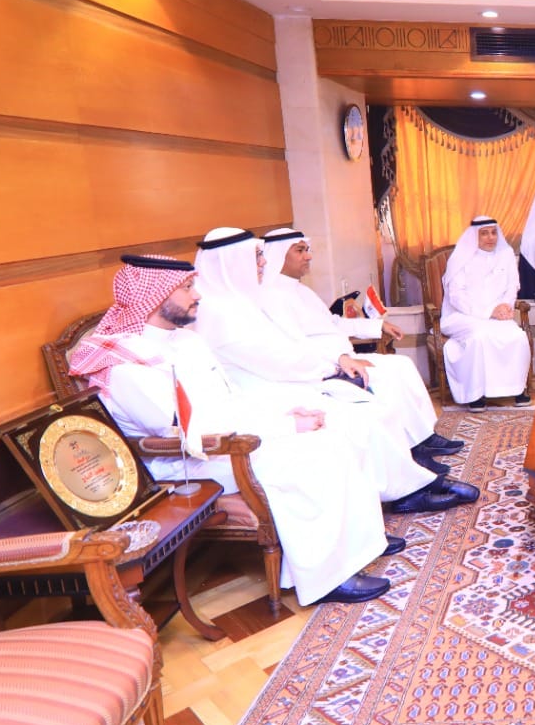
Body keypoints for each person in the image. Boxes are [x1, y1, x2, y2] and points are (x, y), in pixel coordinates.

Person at [69, 254, 398, 605]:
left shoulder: (186, 342)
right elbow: (189, 433)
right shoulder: (129, 366)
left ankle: (360, 543)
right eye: (186, 288)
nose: (197, 295)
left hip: (224, 441)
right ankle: (327, 578)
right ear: (155, 296)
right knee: (312, 456)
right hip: (186, 463)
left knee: (334, 435)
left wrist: (283, 413)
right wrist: (286, 426)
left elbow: (230, 400)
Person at [191, 227, 477, 514]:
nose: (263, 262)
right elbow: (280, 359)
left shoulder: (244, 303)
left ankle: (411, 478)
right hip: (270, 394)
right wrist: (334, 364)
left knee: (371, 405)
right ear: (232, 262)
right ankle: (407, 489)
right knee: (364, 413)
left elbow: (306, 338)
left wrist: (340, 357)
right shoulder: (221, 313)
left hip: (293, 380)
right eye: (256, 256)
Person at [258, 227, 463, 462]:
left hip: (342, 358)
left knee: (402, 365)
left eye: (308, 250)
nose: (309, 256)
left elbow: (333, 323)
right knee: (388, 375)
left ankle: (423, 438)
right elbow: (295, 344)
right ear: (278, 255)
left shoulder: (300, 290)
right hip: (323, 367)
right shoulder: (272, 297)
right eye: (300, 251)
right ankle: (411, 449)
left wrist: (378, 326)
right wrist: (341, 360)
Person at [440, 217, 533, 409]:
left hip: (498, 315)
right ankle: (476, 394)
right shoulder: (460, 258)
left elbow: (512, 286)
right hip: (462, 316)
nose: (490, 237)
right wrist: (488, 312)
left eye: (493, 232)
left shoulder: (506, 254)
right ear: (475, 236)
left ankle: (517, 389)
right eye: (484, 233)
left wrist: (505, 307)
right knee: (479, 337)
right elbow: (456, 297)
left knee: (518, 337)